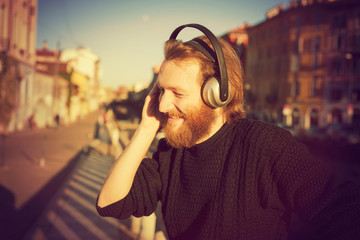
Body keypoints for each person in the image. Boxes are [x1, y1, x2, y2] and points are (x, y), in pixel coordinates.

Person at [96, 24, 360, 240]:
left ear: (217, 94)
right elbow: (110, 203)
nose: (163, 105)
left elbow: (345, 210)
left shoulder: (265, 145)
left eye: (177, 93)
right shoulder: (169, 153)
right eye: (162, 90)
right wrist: (146, 128)